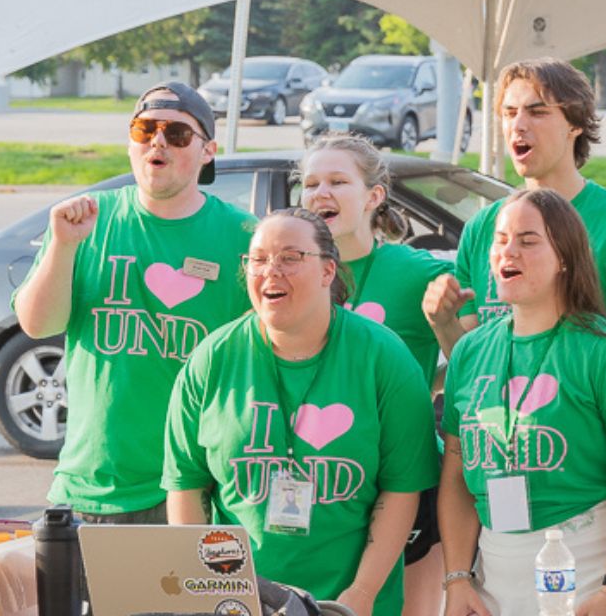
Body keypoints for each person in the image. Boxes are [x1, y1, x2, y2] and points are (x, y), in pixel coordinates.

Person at [164, 209, 438, 616]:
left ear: (328, 271)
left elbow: (401, 489)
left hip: (348, 605)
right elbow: (186, 485)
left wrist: (361, 595)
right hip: (241, 603)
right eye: (258, 259)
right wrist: (213, 590)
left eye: (290, 257)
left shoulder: (384, 356)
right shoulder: (213, 358)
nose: (271, 271)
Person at [13, 82, 256, 524]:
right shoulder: (86, 220)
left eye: (177, 134)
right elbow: (37, 324)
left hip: (197, 490)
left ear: (208, 151)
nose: (157, 142)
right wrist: (63, 247)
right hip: (93, 488)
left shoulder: (243, 236)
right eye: (145, 130)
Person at [436, 190, 606, 616]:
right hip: (494, 579)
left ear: (565, 257)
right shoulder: (471, 352)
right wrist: (456, 578)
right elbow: (456, 478)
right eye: (501, 239)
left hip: (593, 573)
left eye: (528, 241)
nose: (508, 251)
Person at [295, 135, 454, 615]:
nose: (321, 192)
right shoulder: (286, 272)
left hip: (408, 482)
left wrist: (443, 329)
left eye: (338, 181)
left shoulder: (415, 272)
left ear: (374, 196)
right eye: (310, 183)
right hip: (318, 481)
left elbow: (471, 359)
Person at [425, 58, 606, 364]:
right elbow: (473, 364)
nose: (518, 125)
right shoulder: (481, 229)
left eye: (537, 111)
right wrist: (443, 323)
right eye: (509, 113)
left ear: (575, 124)